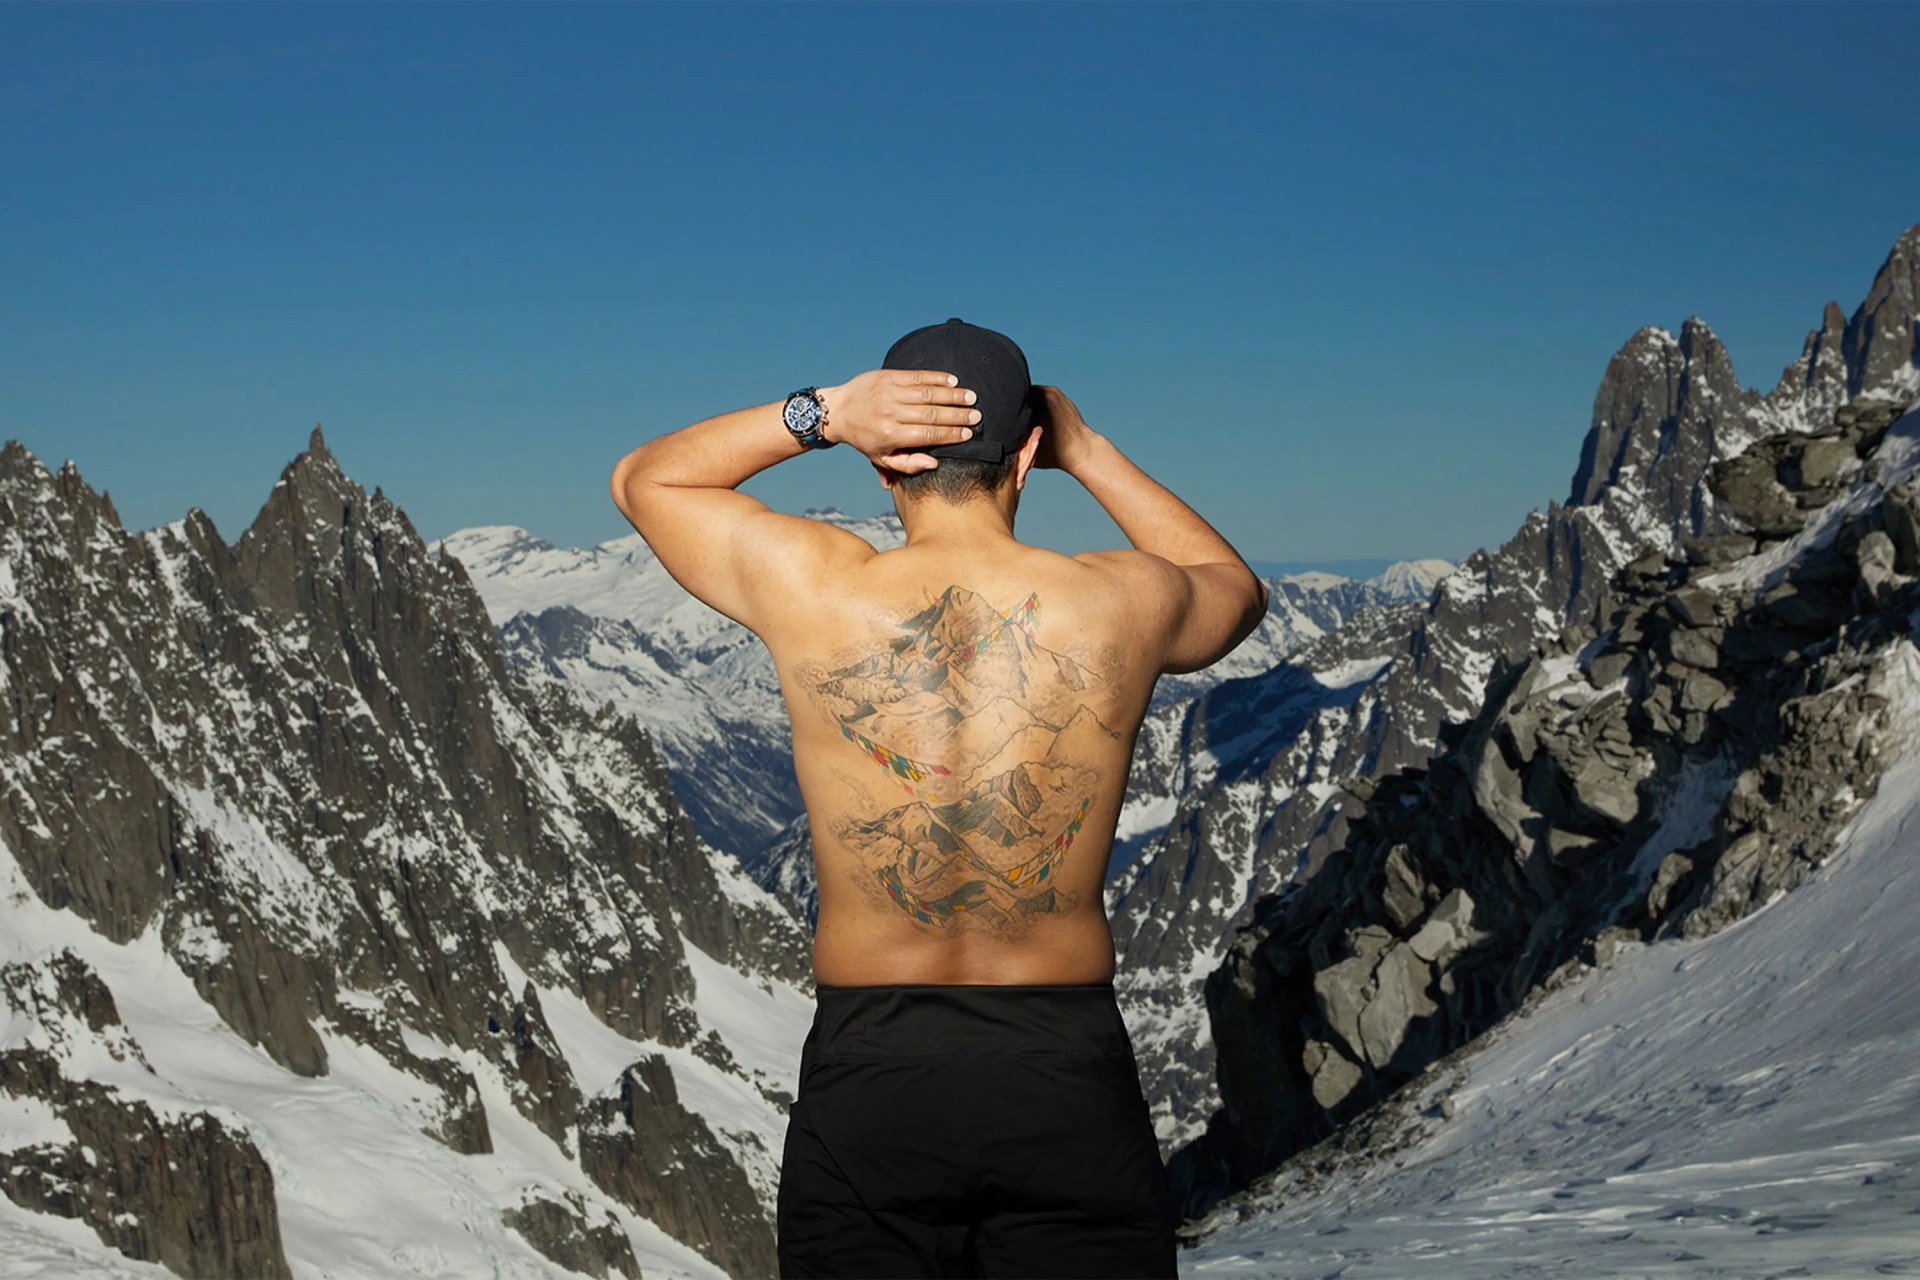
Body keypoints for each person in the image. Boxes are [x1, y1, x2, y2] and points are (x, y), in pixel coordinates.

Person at [609, 318, 1266, 1279]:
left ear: (885, 464)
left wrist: (827, 413)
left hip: (873, 1067)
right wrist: (1088, 449)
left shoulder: (812, 585)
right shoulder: (1117, 601)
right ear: (1026, 457)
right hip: (1063, 1067)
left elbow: (646, 482)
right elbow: (1234, 588)